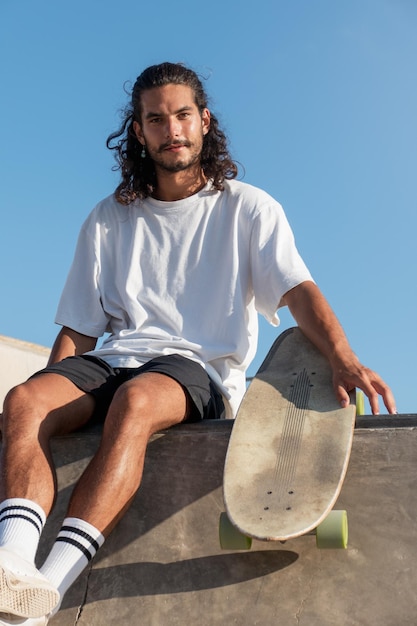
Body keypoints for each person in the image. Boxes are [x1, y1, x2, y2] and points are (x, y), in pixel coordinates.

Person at [0, 61, 396, 625]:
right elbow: (79, 331)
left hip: (197, 370)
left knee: (137, 402)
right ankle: (13, 564)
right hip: (116, 357)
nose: (172, 129)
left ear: (204, 121)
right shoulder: (109, 219)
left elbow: (298, 290)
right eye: (155, 119)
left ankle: (48, 588)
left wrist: (343, 355)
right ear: (138, 131)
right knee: (23, 400)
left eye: (182, 115)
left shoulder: (248, 207)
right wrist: (42, 419)